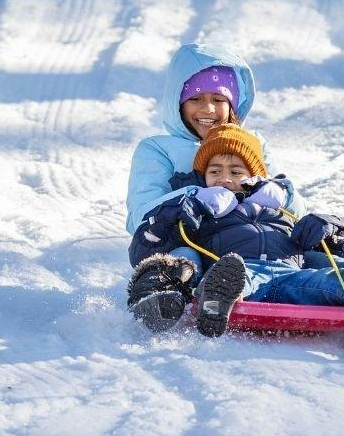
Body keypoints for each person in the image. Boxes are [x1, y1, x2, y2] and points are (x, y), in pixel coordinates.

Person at [132, 125, 344, 343]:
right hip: (241, 269)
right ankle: (215, 302)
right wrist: (188, 211)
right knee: (236, 273)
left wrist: (325, 225)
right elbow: (154, 244)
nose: (224, 178)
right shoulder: (199, 210)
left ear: (255, 176)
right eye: (214, 172)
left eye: (236, 171)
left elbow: (334, 249)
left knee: (342, 281)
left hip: (293, 273)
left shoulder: (278, 211)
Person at [123, 42, 305, 330]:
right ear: (177, 101)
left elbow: (289, 211)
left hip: (251, 249)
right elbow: (141, 216)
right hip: (192, 246)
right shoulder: (157, 149)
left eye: (218, 99)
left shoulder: (250, 143)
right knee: (184, 259)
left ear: (232, 103)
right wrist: (199, 196)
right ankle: (162, 295)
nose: (207, 109)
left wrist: (284, 194)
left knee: (310, 255)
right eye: (195, 98)